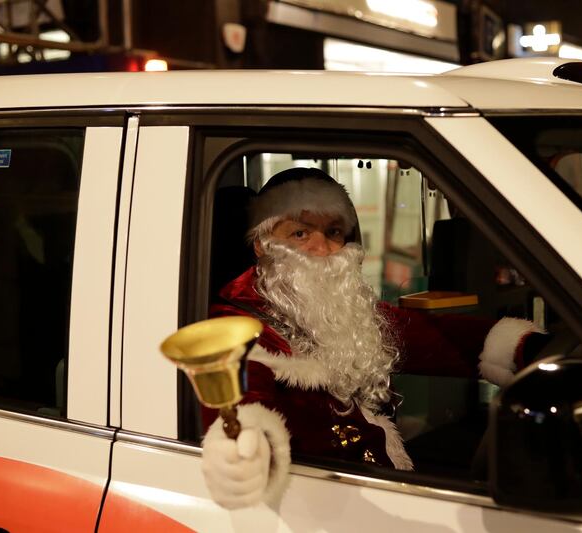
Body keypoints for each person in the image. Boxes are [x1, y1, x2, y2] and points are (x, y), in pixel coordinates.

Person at [201, 167, 548, 509]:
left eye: (334, 231)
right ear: (263, 244)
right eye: (300, 234)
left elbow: (434, 337)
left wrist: (529, 348)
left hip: (379, 484)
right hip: (323, 508)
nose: (323, 249)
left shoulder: (338, 309)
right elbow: (240, 401)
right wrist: (243, 449)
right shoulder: (235, 322)